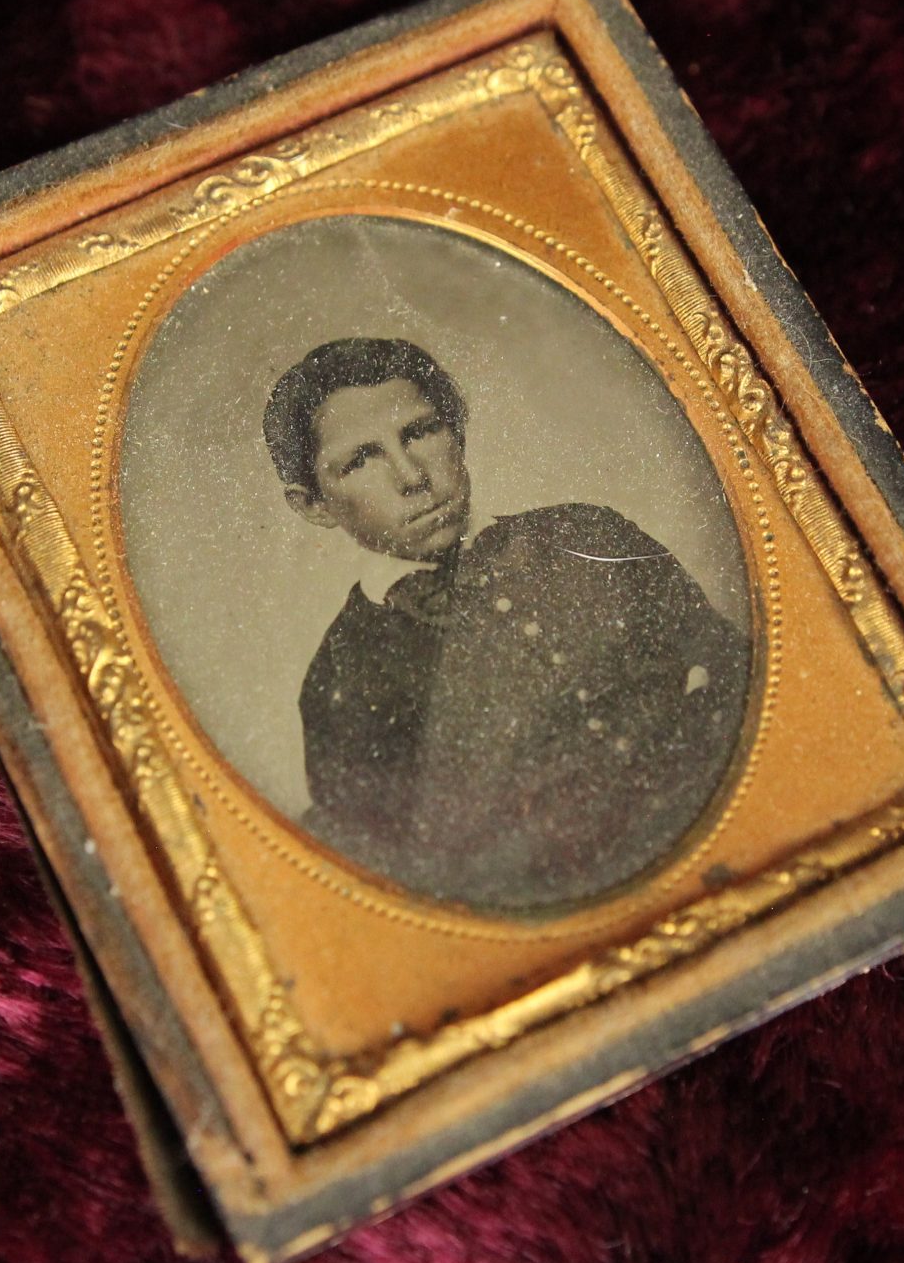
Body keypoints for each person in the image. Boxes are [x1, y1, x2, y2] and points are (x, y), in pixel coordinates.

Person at [264, 336, 750, 913]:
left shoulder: (588, 537)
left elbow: (744, 679)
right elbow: (412, 887)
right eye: (360, 460)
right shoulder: (343, 679)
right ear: (312, 504)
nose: (410, 476)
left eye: (419, 432)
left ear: (458, 433)